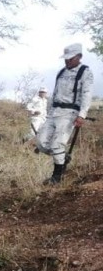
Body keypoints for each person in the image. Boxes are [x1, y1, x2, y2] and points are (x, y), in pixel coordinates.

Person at [36, 43, 94, 185]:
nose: (67, 61)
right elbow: (55, 94)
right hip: (54, 112)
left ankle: (57, 177)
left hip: (69, 113)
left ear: (79, 56)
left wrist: (82, 115)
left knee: (57, 145)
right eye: (66, 58)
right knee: (41, 143)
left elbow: (87, 95)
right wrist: (48, 112)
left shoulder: (85, 72)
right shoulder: (61, 72)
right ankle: (63, 157)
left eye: (71, 58)